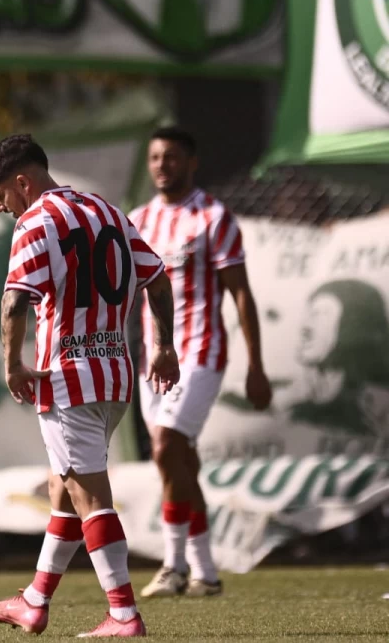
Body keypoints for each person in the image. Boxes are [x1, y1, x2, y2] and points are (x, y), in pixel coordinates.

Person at [0, 134, 179, 638]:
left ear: (22, 183)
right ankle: (34, 601)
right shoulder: (107, 210)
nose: (2, 208)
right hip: (115, 374)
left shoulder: (36, 221)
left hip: (66, 377)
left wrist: (13, 364)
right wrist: (164, 346)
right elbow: (157, 278)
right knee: (62, 487)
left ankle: (124, 613)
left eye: (0, 196)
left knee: (89, 495)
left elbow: (14, 300)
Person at [129, 127, 271, 599]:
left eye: (170, 156)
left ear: (192, 161)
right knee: (180, 460)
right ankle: (206, 572)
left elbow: (242, 293)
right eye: (154, 157)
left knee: (167, 445)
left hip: (201, 352)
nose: (161, 165)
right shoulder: (138, 220)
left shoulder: (213, 217)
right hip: (155, 357)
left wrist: (256, 365)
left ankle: (172, 566)